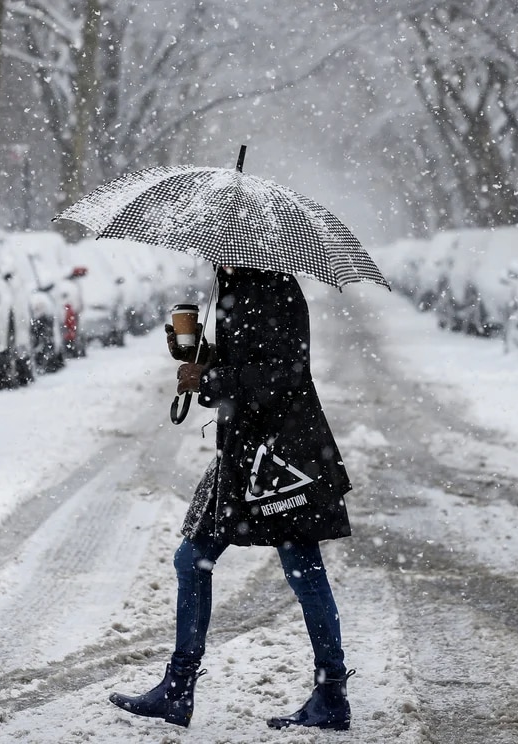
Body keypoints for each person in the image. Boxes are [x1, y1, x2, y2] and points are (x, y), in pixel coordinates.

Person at [108, 266, 354, 730]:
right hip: (244, 453)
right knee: (192, 559)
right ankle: (178, 689)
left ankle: (331, 693)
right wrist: (199, 355)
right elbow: (248, 358)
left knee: (303, 571)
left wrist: (209, 381)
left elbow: (285, 372)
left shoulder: (272, 286)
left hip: (279, 458)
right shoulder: (237, 283)